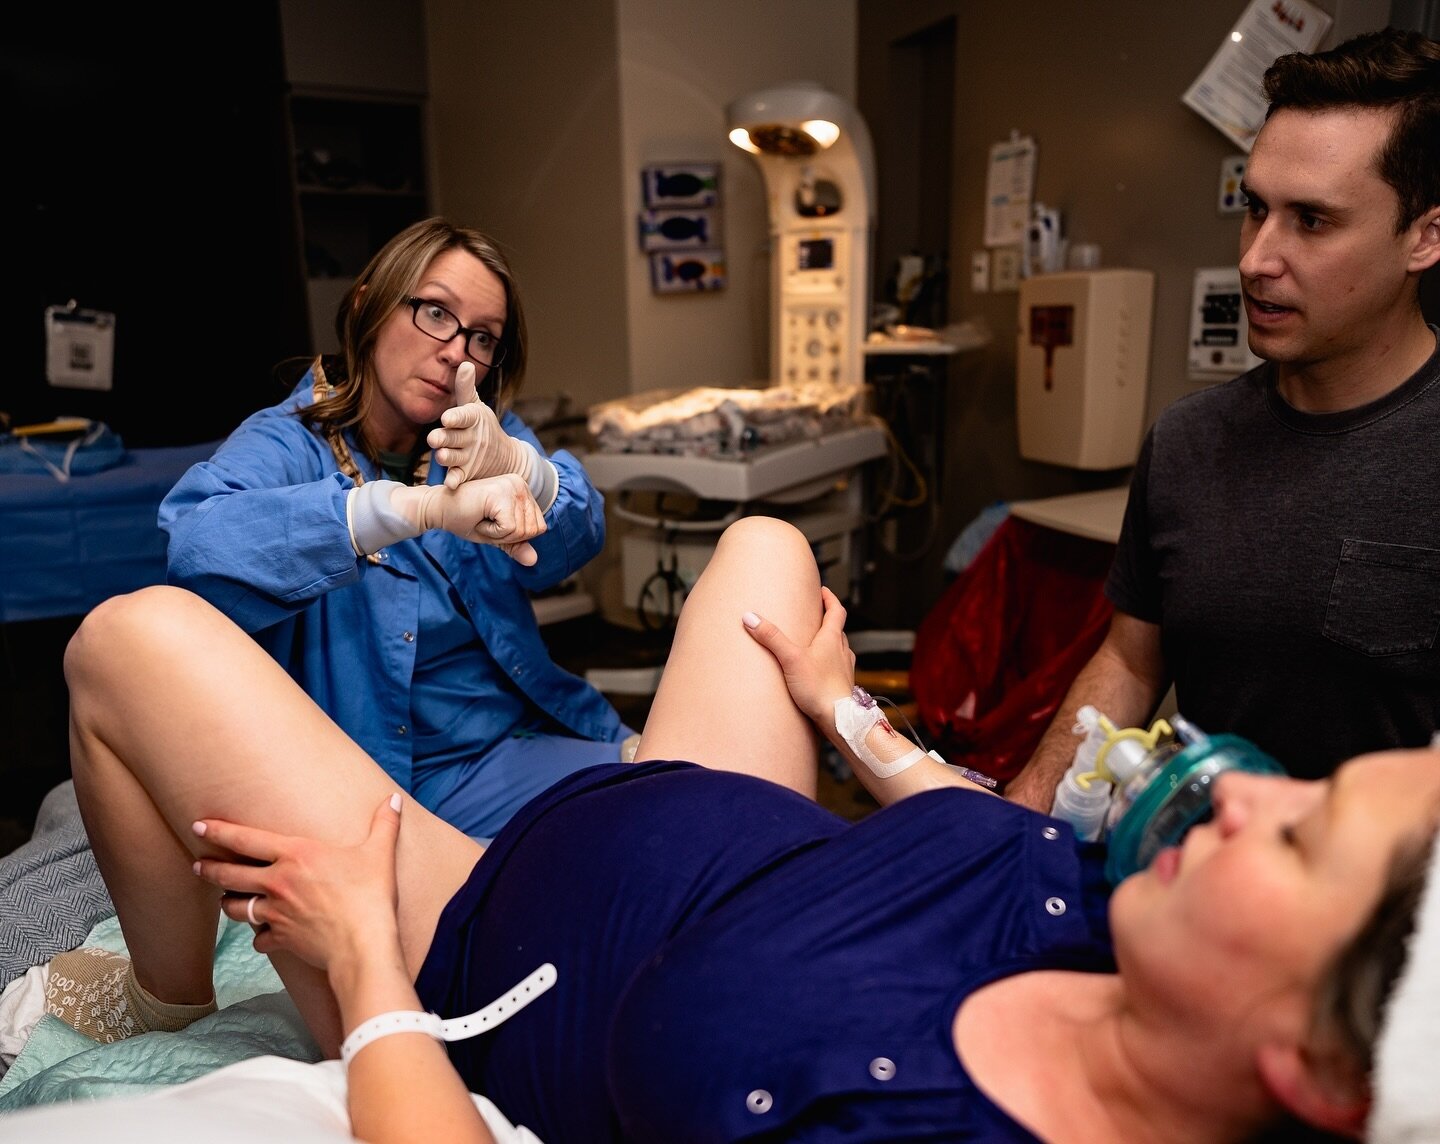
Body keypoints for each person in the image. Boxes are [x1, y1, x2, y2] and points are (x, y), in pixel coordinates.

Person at [39, 515, 1439, 1143]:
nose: (1248, 791)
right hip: (706, 821)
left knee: (131, 642)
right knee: (767, 549)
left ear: (1313, 1069)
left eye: (1304, 841)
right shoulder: (1141, 940)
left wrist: (365, 968)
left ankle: (167, 995)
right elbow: (988, 845)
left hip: (467, 935)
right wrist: (850, 718)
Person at [1006, 27, 1440, 812]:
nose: (1255, 259)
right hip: (1188, 886)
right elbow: (1133, 664)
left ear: (1425, 236)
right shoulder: (1188, 440)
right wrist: (1028, 802)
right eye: (1254, 208)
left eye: (1312, 220)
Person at [158, 217, 629, 840]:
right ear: (369, 303)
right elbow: (195, 546)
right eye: (436, 312)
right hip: (373, 782)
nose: (458, 350)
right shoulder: (286, 442)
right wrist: (412, 510)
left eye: (483, 338)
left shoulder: (479, 436)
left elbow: (580, 535)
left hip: (502, 754)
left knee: (685, 799)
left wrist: (526, 470)